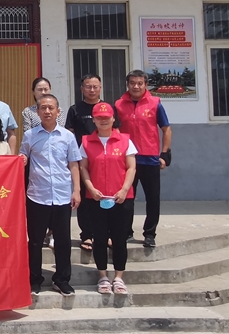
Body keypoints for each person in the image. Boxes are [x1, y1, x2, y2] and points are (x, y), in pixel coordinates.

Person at [19, 94, 83, 295]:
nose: (47, 111)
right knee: (35, 241)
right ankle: (34, 280)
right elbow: (23, 157)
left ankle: (62, 280)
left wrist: (77, 190)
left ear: (58, 111)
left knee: (63, 241)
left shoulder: (67, 136)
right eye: (43, 108)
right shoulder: (30, 135)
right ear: (37, 112)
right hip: (37, 195)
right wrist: (21, 159)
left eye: (51, 108)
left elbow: (74, 164)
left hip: (62, 195)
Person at [78, 102, 137, 295]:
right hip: (96, 198)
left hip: (121, 198)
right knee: (100, 238)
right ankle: (102, 276)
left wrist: (124, 190)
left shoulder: (125, 140)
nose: (103, 121)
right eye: (99, 118)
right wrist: (91, 188)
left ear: (113, 119)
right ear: (94, 120)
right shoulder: (86, 142)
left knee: (119, 239)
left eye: (106, 118)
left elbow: (131, 167)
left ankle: (119, 277)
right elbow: (83, 168)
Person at [114, 70, 173, 249]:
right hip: (127, 160)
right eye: (132, 83)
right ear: (127, 84)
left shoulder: (155, 103)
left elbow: (166, 129)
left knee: (152, 199)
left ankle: (149, 234)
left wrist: (164, 154)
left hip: (150, 159)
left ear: (146, 85)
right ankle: (125, 232)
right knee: (125, 198)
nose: (136, 86)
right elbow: (115, 130)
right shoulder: (119, 104)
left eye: (140, 83)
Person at [65, 74, 120, 252]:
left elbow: (117, 132)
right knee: (85, 197)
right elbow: (69, 134)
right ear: (82, 89)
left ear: (100, 88)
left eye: (95, 86)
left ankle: (107, 233)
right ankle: (87, 234)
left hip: (105, 158)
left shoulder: (108, 108)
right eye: (88, 86)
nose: (92, 90)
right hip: (82, 158)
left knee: (106, 194)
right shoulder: (75, 109)